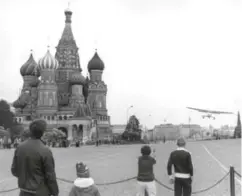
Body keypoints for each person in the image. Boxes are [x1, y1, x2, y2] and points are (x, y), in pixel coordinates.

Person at [11, 119, 59, 196]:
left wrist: (25, 179)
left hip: (24, 191)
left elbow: (14, 170)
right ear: (43, 132)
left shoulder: (19, 147)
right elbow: (50, 176)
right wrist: (55, 192)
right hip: (40, 192)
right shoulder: (45, 150)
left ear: (30, 131)